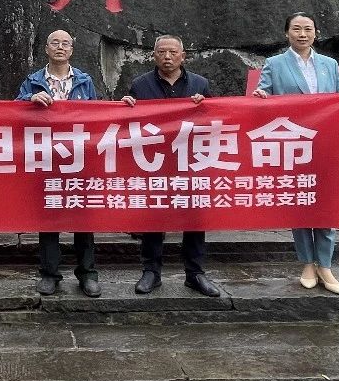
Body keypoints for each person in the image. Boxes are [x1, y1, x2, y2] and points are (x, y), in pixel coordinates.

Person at [252, 11, 339, 296]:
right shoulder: (274, 64)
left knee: (327, 203)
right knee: (300, 203)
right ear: (287, 33)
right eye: (296, 29)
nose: (302, 34)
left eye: (308, 29)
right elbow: (261, 98)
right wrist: (260, 97)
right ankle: (307, 263)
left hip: (327, 144)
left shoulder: (330, 64)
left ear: (316, 33)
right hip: (293, 145)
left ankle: (325, 265)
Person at [122, 35, 222, 298]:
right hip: (154, 161)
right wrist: (126, 105)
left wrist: (205, 106)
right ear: (154, 55)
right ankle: (151, 271)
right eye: (162, 52)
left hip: (191, 161)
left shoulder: (200, 84)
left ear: (183, 56)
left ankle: (195, 273)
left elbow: (216, 121)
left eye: (173, 52)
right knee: (153, 215)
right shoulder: (140, 85)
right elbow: (126, 122)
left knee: (194, 216)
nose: (167, 57)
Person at [16, 29, 102, 298]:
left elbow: (100, 115)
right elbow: (13, 111)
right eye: (55, 42)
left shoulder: (85, 81)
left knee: (83, 218)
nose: (60, 47)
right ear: (46, 48)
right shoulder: (33, 81)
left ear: (72, 50)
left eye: (66, 43)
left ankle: (87, 274)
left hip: (79, 158)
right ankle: (49, 274)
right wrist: (29, 100)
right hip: (45, 158)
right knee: (49, 217)